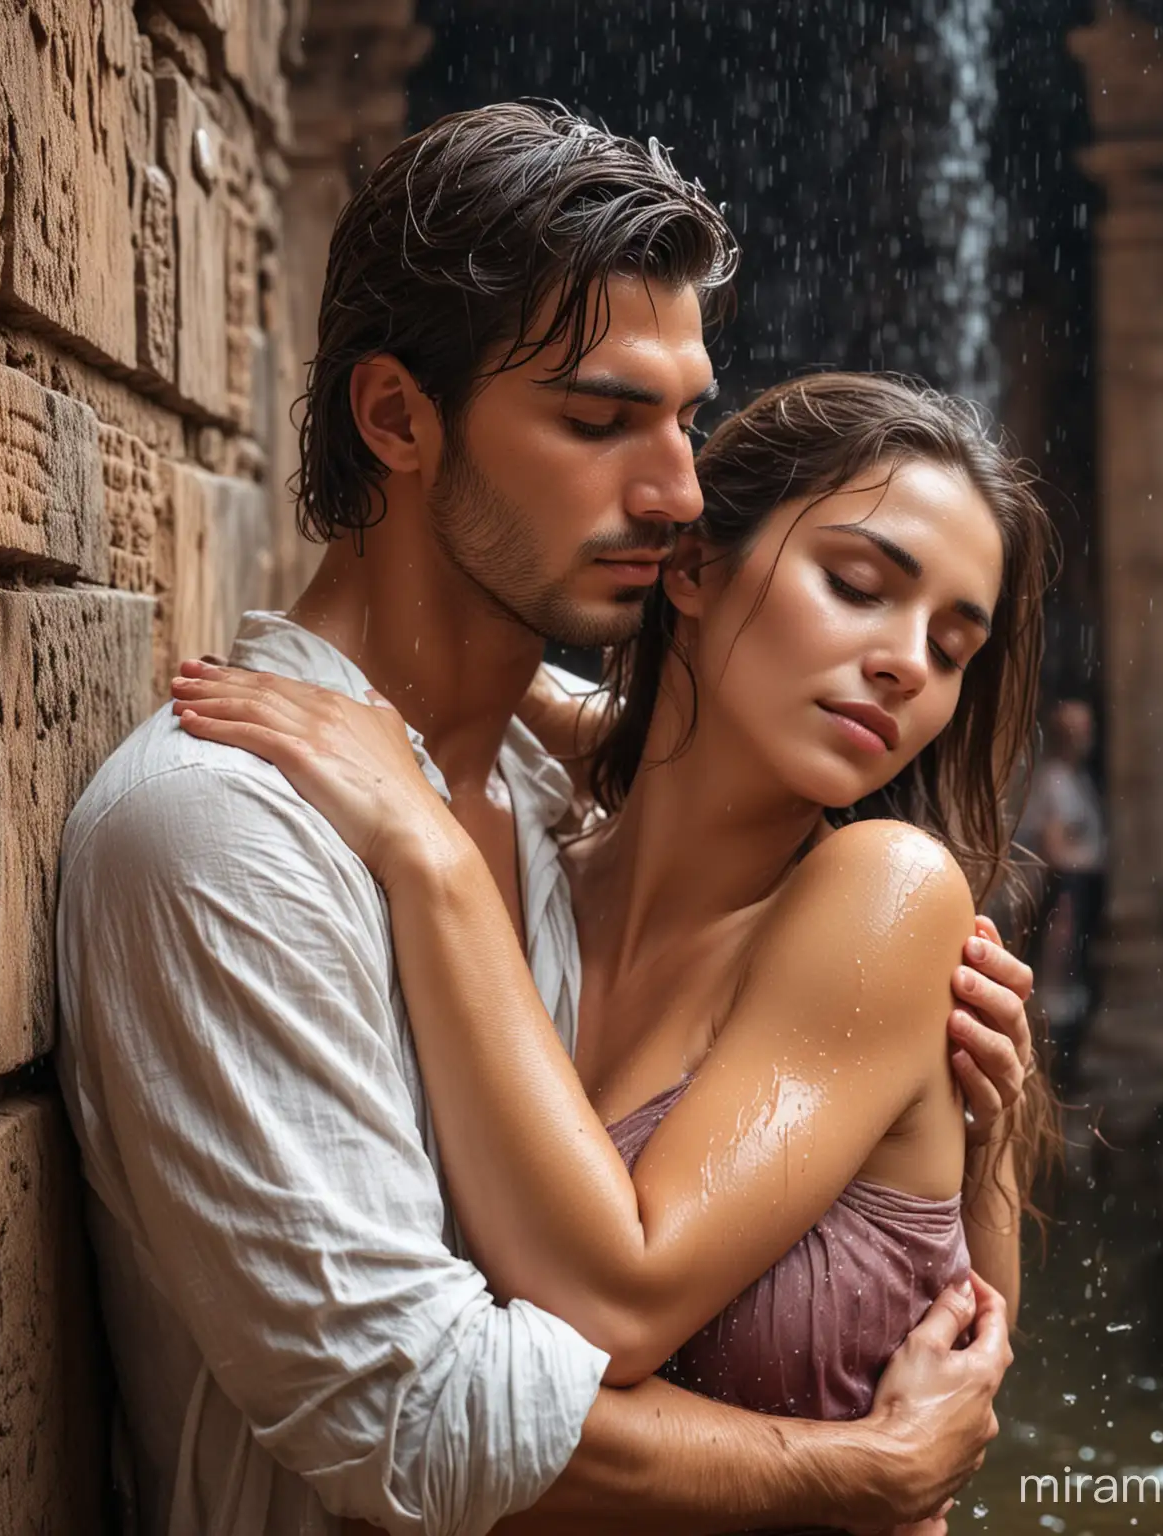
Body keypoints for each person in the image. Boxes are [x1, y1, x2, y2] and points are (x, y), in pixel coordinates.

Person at [56, 104, 1034, 1536]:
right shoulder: (224, 837)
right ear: (396, 418)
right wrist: (858, 1474)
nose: (679, 492)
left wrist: (973, 1143)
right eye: (598, 420)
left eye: (687, 418)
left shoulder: (537, 794)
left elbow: (626, 734)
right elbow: (423, 1414)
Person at [1017, 697, 1105, 1091]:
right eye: (1076, 729)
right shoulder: (1054, 782)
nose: (1084, 738)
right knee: (1057, 980)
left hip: (1079, 891)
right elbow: (1053, 848)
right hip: (1063, 892)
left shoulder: (1077, 779)